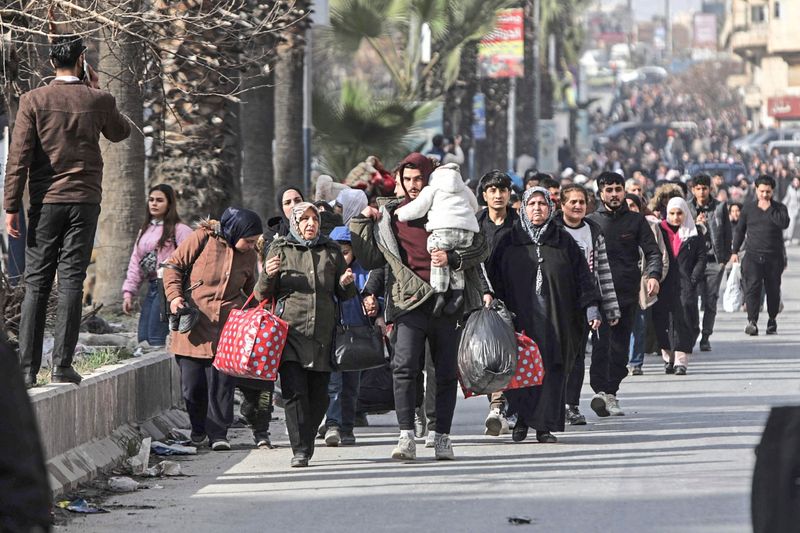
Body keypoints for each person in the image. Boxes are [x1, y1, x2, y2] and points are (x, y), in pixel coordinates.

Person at [4, 35, 131, 387]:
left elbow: (19, 158)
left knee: (36, 283)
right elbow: (121, 133)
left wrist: (11, 206)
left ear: (50, 63)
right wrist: (96, 90)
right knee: (73, 280)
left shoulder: (33, 100)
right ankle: (62, 365)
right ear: (81, 61)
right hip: (84, 201)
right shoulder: (99, 100)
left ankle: (28, 370)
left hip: (46, 203)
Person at [350, 152, 488, 461]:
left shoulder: (452, 206)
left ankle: (442, 436)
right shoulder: (390, 214)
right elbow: (374, 260)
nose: (413, 186)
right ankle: (406, 436)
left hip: (448, 301)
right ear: (399, 180)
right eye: (407, 179)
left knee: (444, 372)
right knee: (404, 367)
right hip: (408, 302)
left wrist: (453, 259)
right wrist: (363, 222)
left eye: (419, 179)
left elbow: (480, 248)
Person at [488, 187, 601, 443]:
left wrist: (591, 306)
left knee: (551, 368)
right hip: (518, 319)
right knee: (521, 369)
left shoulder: (563, 241)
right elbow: (492, 279)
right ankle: (521, 421)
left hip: (557, 319)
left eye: (542, 204)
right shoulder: (508, 240)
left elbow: (584, 277)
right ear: (523, 209)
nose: (537, 208)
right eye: (532, 204)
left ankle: (544, 426)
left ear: (550, 209)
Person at [257, 202, 357, 467]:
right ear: (295, 223)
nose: (311, 224)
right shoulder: (280, 249)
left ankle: (307, 436)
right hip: (290, 333)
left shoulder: (331, 250)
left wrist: (346, 284)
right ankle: (300, 449)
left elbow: (344, 294)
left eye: (314, 219)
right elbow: (261, 293)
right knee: (295, 393)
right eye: (304, 220)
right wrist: (268, 275)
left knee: (320, 396)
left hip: (323, 335)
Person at [163, 208, 262, 451]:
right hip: (194, 324)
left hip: (228, 327)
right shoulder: (203, 238)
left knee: (222, 385)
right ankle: (198, 430)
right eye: (248, 240)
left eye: (253, 242)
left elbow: (252, 292)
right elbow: (173, 266)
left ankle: (219, 434)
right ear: (234, 231)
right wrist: (175, 298)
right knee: (193, 386)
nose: (250, 246)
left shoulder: (248, 254)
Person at [587, 172, 662, 417]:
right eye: (609, 190)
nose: (614, 194)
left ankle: (611, 393)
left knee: (620, 349)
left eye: (618, 189)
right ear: (600, 193)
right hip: (597, 296)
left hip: (627, 294)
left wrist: (653, 275)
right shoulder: (590, 223)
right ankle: (599, 391)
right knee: (600, 345)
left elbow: (652, 252)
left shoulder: (636, 221)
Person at [558, 184, 621, 426]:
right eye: (572, 202)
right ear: (562, 205)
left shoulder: (593, 232)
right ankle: (552, 403)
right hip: (555, 302)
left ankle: (571, 405)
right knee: (555, 356)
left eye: (581, 202)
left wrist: (610, 307)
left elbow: (603, 272)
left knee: (576, 357)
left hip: (584, 303)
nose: (577, 206)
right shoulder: (552, 231)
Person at [395, 162, 480, 317]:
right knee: (456, 260)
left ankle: (439, 294)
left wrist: (401, 213)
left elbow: (418, 208)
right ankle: (458, 293)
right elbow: (474, 207)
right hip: (466, 232)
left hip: (443, 230)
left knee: (436, 255)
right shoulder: (464, 188)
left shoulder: (433, 188)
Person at [322, 226, 375, 447]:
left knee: (352, 385)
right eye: (338, 252)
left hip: (357, 334)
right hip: (333, 335)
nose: (342, 257)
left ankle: (347, 427)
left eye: (346, 252)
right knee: (333, 384)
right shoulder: (326, 271)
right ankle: (332, 424)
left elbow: (374, 294)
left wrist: (374, 305)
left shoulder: (364, 271)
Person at [122, 185, 192, 347]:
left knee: (155, 338)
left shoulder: (181, 230)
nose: (154, 204)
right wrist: (128, 293)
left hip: (169, 288)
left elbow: (193, 259)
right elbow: (135, 263)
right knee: (143, 337)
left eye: (159, 200)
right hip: (152, 287)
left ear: (169, 204)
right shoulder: (145, 230)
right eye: (151, 200)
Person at [475, 170, 518, 435]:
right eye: (492, 190)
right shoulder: (476, 223)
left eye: (502, 190)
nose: (498, 195)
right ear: (484, 195)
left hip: (515, 298)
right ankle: (496, 405)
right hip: (482, 299)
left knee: (510, 352)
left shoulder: (519, 223)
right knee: (485, 354)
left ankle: (502, 406)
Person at [653, 198, 706, 375]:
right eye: (672, 213)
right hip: (663, 283)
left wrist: (692, 279)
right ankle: (668, 358)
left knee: (683, 320)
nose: (676, 217)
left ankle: (681, 361)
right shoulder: (659, 230)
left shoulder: (693, 233)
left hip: (685, 284)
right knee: (663, 320)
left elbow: (701, 258)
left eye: (679, 213)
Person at [731, 175, 790, 335]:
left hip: (774, 257)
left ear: (772, 191)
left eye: (768, 192)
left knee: (773, 290)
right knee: (752, 289)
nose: (764, 195)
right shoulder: (748, 209)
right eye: (762, 191)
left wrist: (770, 206)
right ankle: (752, 321)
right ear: (756, 190)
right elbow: (740, 231)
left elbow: (784, 223)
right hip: (753, 256)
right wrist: (734, 251)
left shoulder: (779, 208)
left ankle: (772, 320)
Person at [624, 194, 669, 375]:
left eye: (633, 206)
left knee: (639, 324)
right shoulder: (614, 227)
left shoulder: (651, 227)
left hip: (642, 283)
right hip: (620, 282)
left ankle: (635, 362)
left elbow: (661, 256)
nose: (629, 209)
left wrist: (655, 278)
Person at [688, 174, 732, 351]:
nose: (701, 192)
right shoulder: (688, 209)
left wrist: (724, 259)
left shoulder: (719, 208)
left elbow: (727, 233)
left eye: (704, 188)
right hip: (693, 262)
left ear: (710, 189)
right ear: (693, 190)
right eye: (698, 188)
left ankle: (706, 335)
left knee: (711, 299)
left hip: (714, 261)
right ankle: (693, 332)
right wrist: (695, 225)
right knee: (691, 299)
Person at [782, 176, 800, 244]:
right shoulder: (790, 188)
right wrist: (782, 204)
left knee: (792, 222)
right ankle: (785, 237)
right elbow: (787, 197)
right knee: (788, 221)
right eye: (795, 181)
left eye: (797, 181)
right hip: (789, 208)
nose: (796, 182)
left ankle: (789, 238)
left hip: (797, 209)